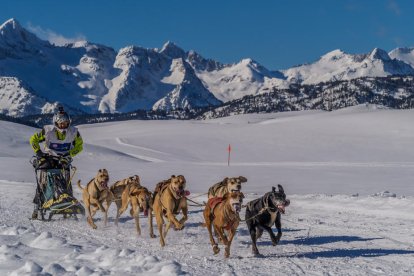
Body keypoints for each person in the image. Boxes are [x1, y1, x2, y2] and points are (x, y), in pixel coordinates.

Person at [29, 106, 83, 219]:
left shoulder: (74, 132)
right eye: (61, 123)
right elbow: (33, 139)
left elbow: (79, 146)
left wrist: (69, 155)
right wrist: (39, 153)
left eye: (66, 123)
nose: (63, 125)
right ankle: (38, 207)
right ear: (56, 122)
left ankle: (67, 201)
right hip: (49, 158)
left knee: (66, 181)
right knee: (44, 182)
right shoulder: (47, 131)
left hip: (64, 159)